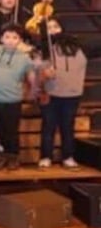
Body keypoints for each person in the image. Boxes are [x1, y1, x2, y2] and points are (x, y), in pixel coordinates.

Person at [0, 24, 36, 171]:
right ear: (1, 38)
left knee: (11, 131)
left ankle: (13, 156)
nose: (10, 40)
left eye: (15, 37)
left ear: (20, 40)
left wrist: (34, 91)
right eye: (7, 37)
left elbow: (32, 78)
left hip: (12, 102)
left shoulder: (25, 58)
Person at [39, 18, 86, 169]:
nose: (52, 30)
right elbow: (35, 69)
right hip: (51, 93)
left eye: (55, 26)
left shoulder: (78, 46)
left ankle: (68, 156)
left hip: (72, 94)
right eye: (49, 28)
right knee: (48, 127)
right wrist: (43, 73)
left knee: (67, 127)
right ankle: (46, 156)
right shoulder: (44, 48)